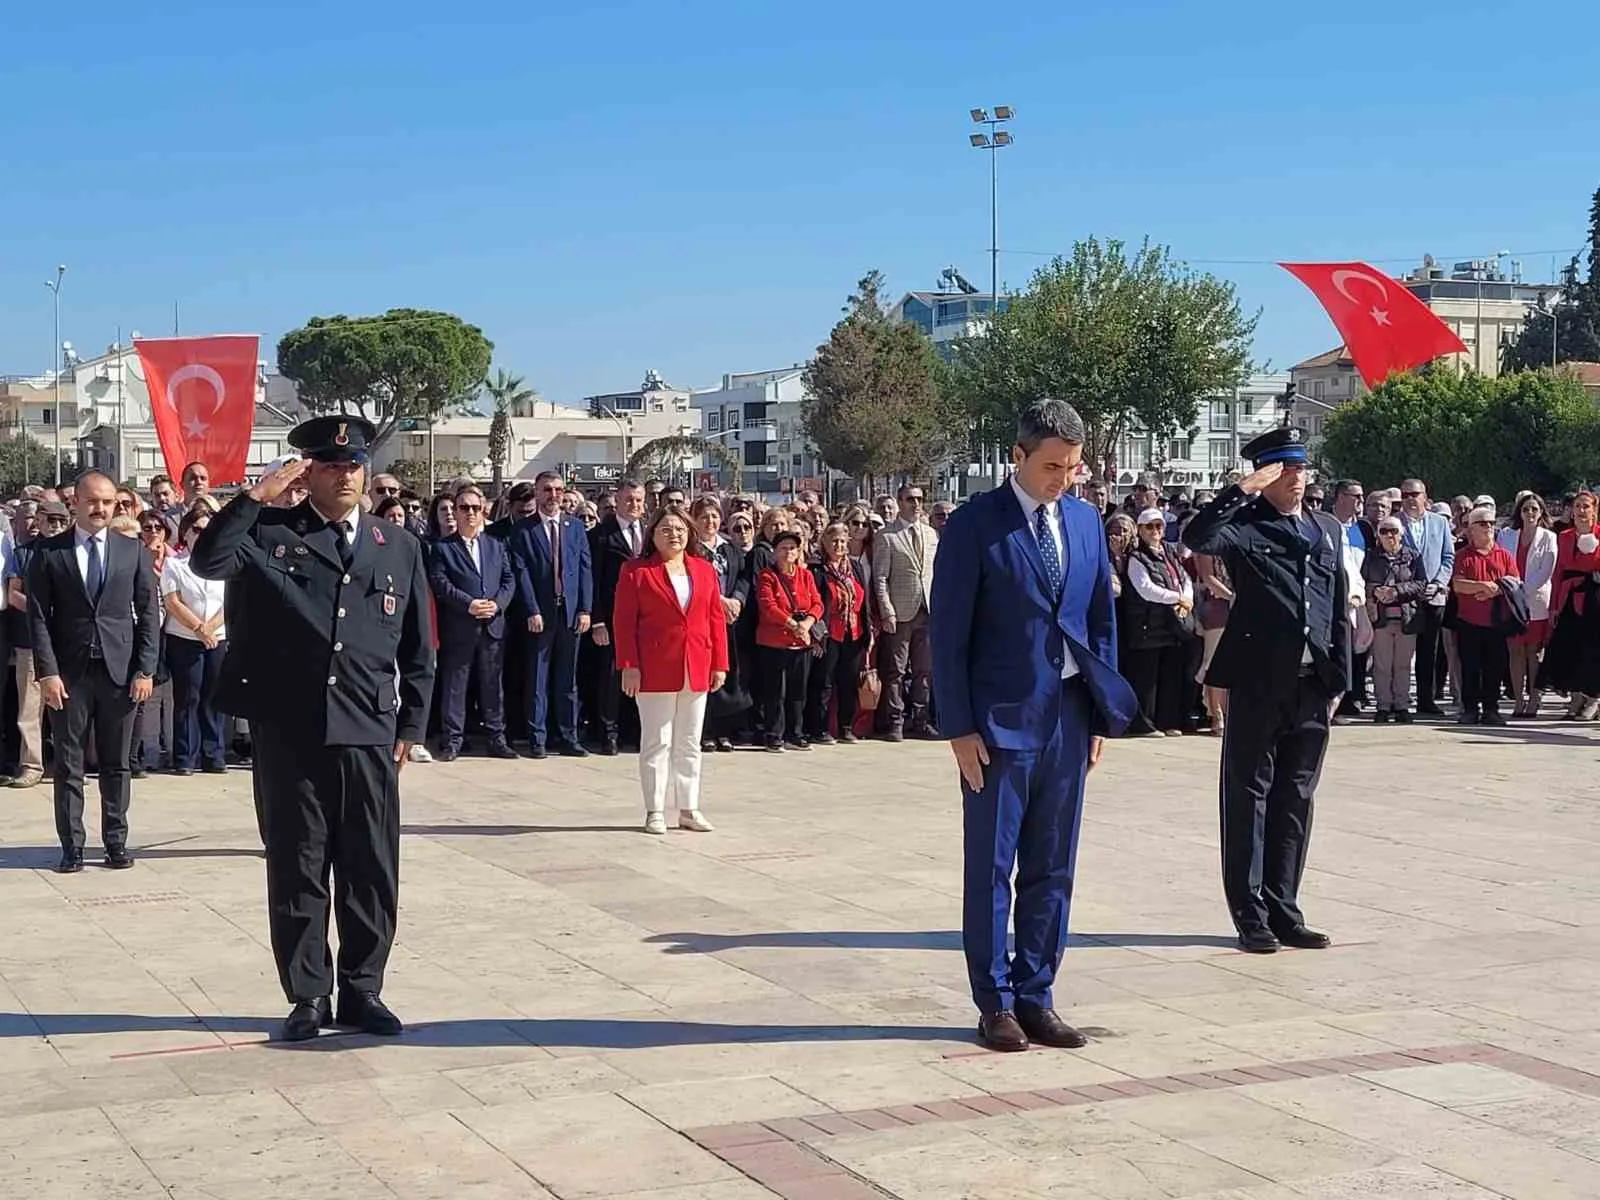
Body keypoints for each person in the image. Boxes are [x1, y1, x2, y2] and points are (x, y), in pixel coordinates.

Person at [189, 417, 435, 1042]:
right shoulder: (269, 533)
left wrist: (411, 724)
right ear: (306, 472)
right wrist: (252, 498)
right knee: (298, 866)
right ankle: (307, 996)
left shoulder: (397, 545)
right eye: (329, 465)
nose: (345, 474)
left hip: (367, 728)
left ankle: (363, 990)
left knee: (370, 867)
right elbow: (209, 557)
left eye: (353, 464)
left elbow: (418, 649)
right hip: (290, 730)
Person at [932, 398, 1135, 1053]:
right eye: (1052, 465)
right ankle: (994, 1004)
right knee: (991, 870)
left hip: (1069, 722)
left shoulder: (1083, 521)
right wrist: (960, 727)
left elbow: (1099, 623)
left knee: (1053, 868)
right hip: (998, 727)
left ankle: (1037, 994)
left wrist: (1102, 712)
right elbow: (948, 635)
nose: (1064, 479)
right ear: (1016, 457)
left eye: (1073, 467)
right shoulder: (974, 527)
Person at [1183, 427, 1348, 955]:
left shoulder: (1326, 528)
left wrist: (1338, 677)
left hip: (1310, 686)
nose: (1296, 478)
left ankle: (1285, 908)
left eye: (1301, 468)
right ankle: (1250, 913)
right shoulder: (1246, 526)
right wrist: (1242, 489)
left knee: (1296, 798)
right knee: (1248, 796)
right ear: (1266, 474)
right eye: (1284, 469)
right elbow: (1197, 536)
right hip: (1257, 684)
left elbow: (1335, 605)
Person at [28, 472, 160, 873]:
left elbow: (148, 615)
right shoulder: (49, 553)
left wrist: (145, 669)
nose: (100, 508)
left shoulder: (131, 550)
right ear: (76, 504)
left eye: (108, 502)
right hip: (70, 676)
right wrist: (48, 673)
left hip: (120, 674)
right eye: (92, 501)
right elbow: (38, 618)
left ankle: (116, 843)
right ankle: (72, 847)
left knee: (117, 763)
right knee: (69, 765)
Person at [613, 506, 726, 833]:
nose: (673, 535)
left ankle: (689, 807)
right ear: (653, 535)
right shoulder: (636, 571)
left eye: (679, 529)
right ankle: (655, 810)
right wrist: (629, 665)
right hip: (654, 666)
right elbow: (624, 623)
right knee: (657, 741)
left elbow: (714, 619)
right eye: (666, 529)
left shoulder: (704, 570)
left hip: (697, 663)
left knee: (689, 741)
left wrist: (720, 662)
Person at [428, 485, 517, 761]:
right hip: (460, 625)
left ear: (483, 512)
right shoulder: (442, 548)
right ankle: (453, 739)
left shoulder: (495, 544)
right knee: (456, 684)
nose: (470, 513)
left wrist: (498, 604)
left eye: (475, 508)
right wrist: (468, 604)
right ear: (455, 511)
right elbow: (440, 582)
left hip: (492, 624)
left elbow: (508, 579)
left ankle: (496, 738)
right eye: (464, 507)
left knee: (493, 684)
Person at [508, 472, 592, 758]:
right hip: (540, 614)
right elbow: (521, 573)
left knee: (568, 679)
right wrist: (531, 609)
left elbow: (584, 570)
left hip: (570, 614)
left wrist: (585, 608)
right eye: (547, 490)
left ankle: (569, 737)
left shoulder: (576, 527)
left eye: (558, 490)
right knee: (537, 679)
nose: (553, 495)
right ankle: (537, 738)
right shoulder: (523, 529)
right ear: (537, 493)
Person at [161, 508, 229, 774]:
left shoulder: (223, 562)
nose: (202, 535)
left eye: (207, 530)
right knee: (187, 697)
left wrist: (210, 629)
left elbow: (229, 601)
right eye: (197, 530)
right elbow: (173, 601)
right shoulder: (174, 564)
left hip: (218, 638)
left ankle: (214, 755)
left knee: (213, 697)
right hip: (185, 638)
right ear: (185, 533)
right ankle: (185, 758)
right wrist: (200, 628)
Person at [1119, 508, 1196, 736]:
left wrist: (1187, 598)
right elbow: (1145, 589)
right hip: (1147, 626)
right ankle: (1144, 724)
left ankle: (1168, 721)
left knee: (1170, 676)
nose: (1155, 531)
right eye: (1150, 527)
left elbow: (1184, 578)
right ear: (1140, 530)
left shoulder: (1169, 552)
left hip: (1170, 624)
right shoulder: (1136, 557)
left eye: (1159, 526)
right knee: (1146, 679)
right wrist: (1177, 597)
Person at [872, 484, 939, 740]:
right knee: (896, 671)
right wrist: (886, 611)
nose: (916, 504)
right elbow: (880, 578)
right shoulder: (887, 536)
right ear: (900, 502)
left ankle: (921, 720)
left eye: (920, 499)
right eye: (910, 499)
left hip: (927, 610)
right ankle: (895, 721)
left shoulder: (931, 534)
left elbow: (934, 573)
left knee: (924, 670)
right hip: (900, 612)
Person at [4, 501, 62, 789]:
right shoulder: (22, 554)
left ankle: (67, 764)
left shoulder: (73, 552)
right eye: (49, 518)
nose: (54, 524)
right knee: (30, 706)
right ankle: (31, 766)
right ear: (38, 520)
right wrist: (44, 614)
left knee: (68, 706)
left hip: (66, 643)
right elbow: (14, 596)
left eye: (60, 519)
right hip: (30, 640)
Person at [587, 479, 648, 754]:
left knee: (641, 676)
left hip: (646, 619)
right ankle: (608, 732)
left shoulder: (649, 532)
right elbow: (593, 581)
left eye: (638, 500)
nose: (633, 505)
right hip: (612, 618)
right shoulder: (600, 535)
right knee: (611, 676)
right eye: (628, 500)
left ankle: (634, 730)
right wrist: (598, 620)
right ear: (617, 501)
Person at [1450, 506, 1519, 727]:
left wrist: (1495, 590)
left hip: (1496, 622)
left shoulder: (1505, 555)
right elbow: (1458, 585)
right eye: (1482, 523)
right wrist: (1484, 586)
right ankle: (1470, 709)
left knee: (1495, 667)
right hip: (1468, 621)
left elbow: (1515, 583)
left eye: (1491, 523)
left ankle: (1491, 709)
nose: (1488, 527)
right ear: (1470, 529)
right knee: (1469, 667)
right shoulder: (1462, 556)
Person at [691, 497, 749, 753]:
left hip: (729, 622)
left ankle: (724, 731)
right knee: (705, 677)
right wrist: (720, 601)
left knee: (727, 676)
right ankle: (705, 732)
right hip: (702, 621)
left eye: (714, 516)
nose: (710, 522)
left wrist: (737, 600)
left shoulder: (729, 548)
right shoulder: (691, 550)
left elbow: (744, 578)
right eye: (704, 517)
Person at [805, 522, 872, 745]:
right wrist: (815, 636)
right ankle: (820, 729)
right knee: (823, 683)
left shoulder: (855, 568)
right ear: (824, 542)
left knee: (849, 682)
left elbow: (864, 602)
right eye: (834, 541)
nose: (839, 545)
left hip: (853, 633)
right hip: (828, 634)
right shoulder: (817, 570)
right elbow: (813, 603)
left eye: (843, 541)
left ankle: (845, 728)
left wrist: (868, 632)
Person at [755, 530, 822, 751]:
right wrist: (794, 625)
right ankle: (774, 734)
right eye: (783, 548)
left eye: (792, 548)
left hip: (801, 643)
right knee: (775, 691)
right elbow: (768, 607)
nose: (788, 552)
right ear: (775, 551)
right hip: (774, 642)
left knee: (798, 691)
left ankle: (796, 733)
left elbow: (817, 604)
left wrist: (807, 624)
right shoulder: (767, 575)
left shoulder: (806, 576)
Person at [1497, 492, 1557, 718]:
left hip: (1536, 602)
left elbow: (1546, 572)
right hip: (1512, 603)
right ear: (1519, 512)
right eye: (1525, 509)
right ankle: (1518, 699)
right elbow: (1502, 564)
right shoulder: (1507, 535)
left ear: (1541, 512)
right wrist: (1515, 592)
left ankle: (1534, 698)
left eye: (1534, 509)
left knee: (1534, 653)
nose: (1530, 513)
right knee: (1515, 653)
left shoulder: (1549, 537)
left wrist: (1523, 592)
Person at [1398, 479, 1455, 715]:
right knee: (1402, 651)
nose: (1410, 499)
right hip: (1405, 596)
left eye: (1415, 494)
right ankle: (1397, 699)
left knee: (1429, 650)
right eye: (1405, 495)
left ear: (1425, 497)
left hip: (1433, 596)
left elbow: (1448, 557)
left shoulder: (1440, 523)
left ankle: (1426, 699)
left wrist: (1439, 583)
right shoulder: (1393, 523)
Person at [1361, 516, 1426, 722]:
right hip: (1381, 619)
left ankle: (1401, 705)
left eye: (1394, 531)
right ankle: (1383, 705)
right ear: (1378, 536)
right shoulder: (1371, 557)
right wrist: (1375, 592)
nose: (1390, 535)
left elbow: (1421, 584)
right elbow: (1362, 581)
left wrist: (1395, 592)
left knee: (1403, 665)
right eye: (1384, 531)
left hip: (1407, 617)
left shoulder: (1413, 556)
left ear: (1402, 534)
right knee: (1381, 665)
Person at [1543, 490, 1600, 720]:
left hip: (1596, 598)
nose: (1582, 511)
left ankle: (1593, 697)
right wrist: (1554, 605)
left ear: (1594, 510)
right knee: (1572, 648)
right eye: (1578, 506)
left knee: (1595, 649)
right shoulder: (1565, 536)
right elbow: (1559, 572)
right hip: (1570, 598)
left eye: (1586, 506)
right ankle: (1576, 696)